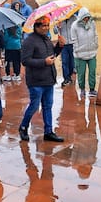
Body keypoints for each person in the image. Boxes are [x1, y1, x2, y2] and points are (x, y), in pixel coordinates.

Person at [18, 15, 66, 143]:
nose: (46, 28)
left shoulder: (47, 39)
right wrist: (43, 62)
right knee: (34, 106)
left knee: (47, 106)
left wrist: (60, 47)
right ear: (36, 27)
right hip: (36, 81)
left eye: (47, 26)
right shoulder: (29, 41)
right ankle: (23, 126)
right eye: (43, 26)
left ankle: (48, 131)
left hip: (48, 79)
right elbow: (25, 61)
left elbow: (52, 55)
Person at [71, 7, 99, 98]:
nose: (86, 19)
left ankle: (92, 89)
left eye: (87, 17)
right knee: (81, 73)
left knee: (92, 72)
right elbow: (74, 40)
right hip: (80, 55)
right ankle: (82, 89)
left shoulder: (92, 23)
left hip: (92, 52)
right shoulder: (75, 26)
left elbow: (95, 35)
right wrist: (77, 49)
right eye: (84, 17)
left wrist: (95, 44)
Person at [56, 13, 77, 86]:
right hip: (63, 44)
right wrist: (57, 27)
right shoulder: (60, 19)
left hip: (72, 43)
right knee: (64, 62)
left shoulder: (74, 18)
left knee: (72, 62)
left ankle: (70, 75)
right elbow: (55, 31)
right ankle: (66, 78)